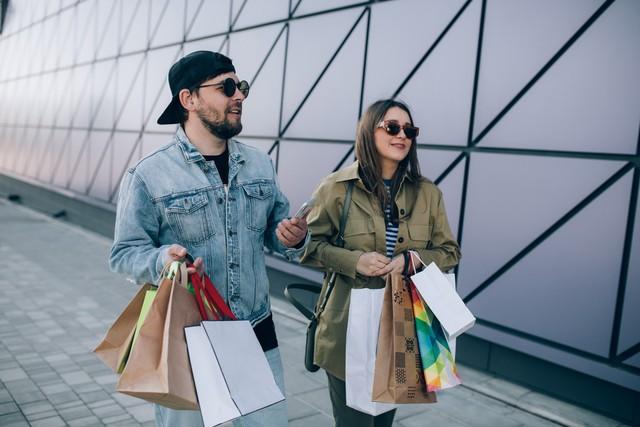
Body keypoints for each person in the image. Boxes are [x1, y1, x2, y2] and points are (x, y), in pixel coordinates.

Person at [109, 50, 308, 427]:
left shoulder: (260, 163)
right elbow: (123, 254)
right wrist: (161, 259)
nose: (239, 96)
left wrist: (293, 239)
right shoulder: (149, 174)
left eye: (241, 86)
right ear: (189, 99)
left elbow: (277, 235)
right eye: (227, 87)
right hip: (187, 345)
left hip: (256, 337)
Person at [300, 99, 461, 426]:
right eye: (392, 127)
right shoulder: (336, 188)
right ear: (368, 131)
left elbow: (449, 252)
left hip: (402, 327)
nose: (402, 135)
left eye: (409, 130)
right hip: (346, 330)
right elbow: (311, 248)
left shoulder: (428, 193)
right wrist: (354, 261)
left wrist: (409, 260)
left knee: (383, 422)